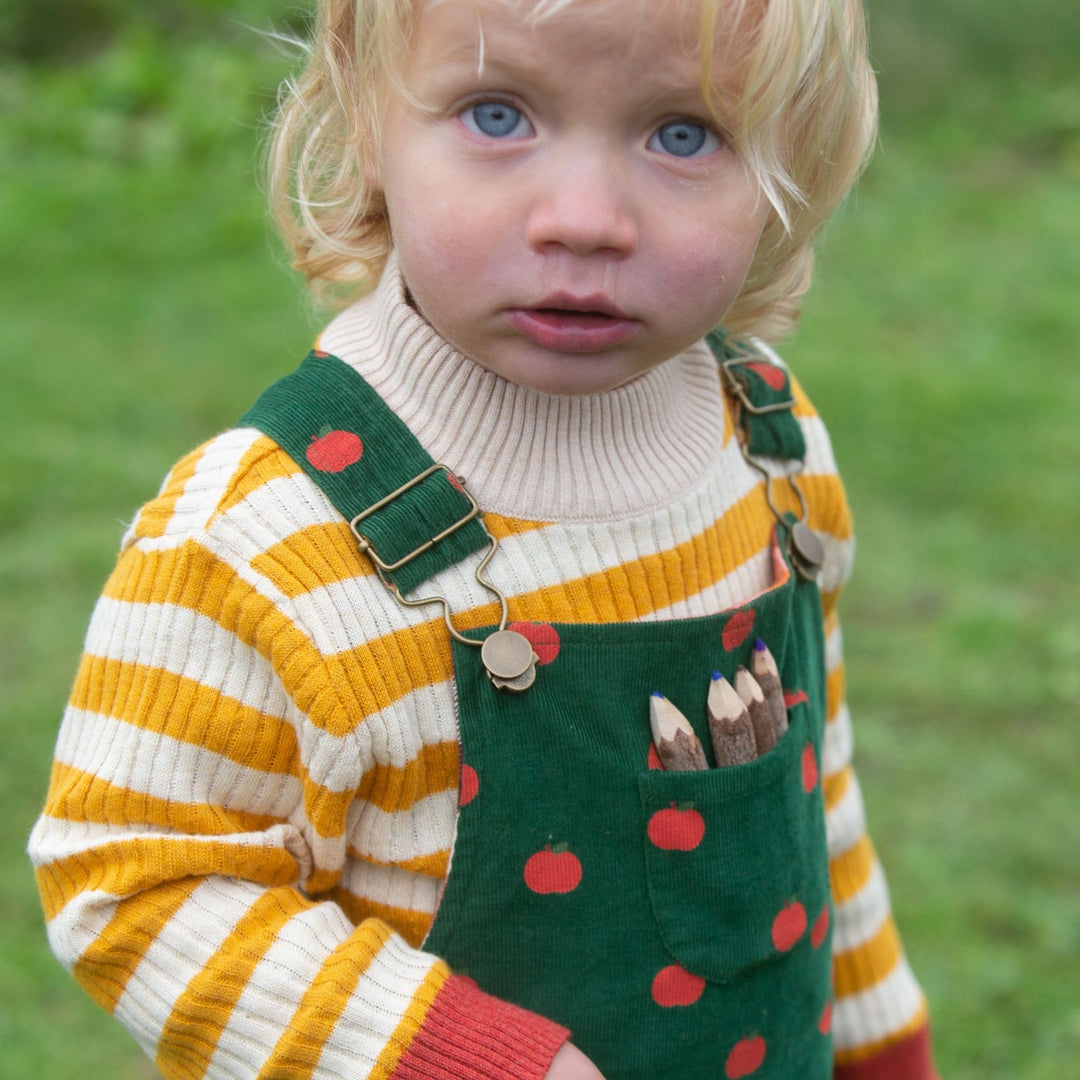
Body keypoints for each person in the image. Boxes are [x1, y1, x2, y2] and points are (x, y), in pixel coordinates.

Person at [28, 1, 941, 1077]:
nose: (586, 218)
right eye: (497, 114)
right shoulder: (267, 536)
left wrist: (881, 1041)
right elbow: (133, 883)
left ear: (793, 157)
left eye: (683, 134)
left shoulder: (772, 452)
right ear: (367, 120)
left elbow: (809, 799)